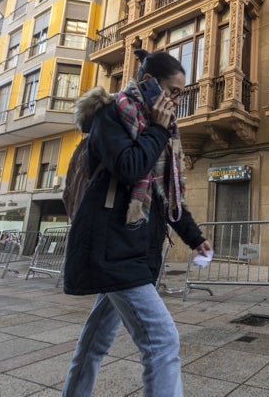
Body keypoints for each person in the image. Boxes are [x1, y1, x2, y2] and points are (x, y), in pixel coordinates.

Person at [62, 49, 213, 397]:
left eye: (181, 94)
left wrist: (195, 239)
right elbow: (129, 167)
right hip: (112, 249)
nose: (177, 100)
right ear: (148, 84)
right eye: (172, 92)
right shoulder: (110, 115)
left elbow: (164, 196)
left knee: (93, 345)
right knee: (162, 340)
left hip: (129, 251)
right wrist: (159, 131)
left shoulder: (152, 128)